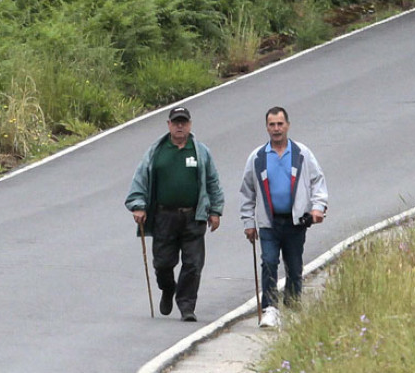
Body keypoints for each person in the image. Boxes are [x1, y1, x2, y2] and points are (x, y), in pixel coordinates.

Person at [125, 106, 224, 322]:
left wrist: (215, 210)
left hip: (193, 217)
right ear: (169, 125)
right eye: (176, 122)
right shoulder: (156, 152)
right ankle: (168, 289)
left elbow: (212, 182)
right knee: (162, 264)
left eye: (184, 122)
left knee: (193, 264)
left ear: (190, 124)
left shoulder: (201, 152)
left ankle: (187, 305)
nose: (180, 126)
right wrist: (138, 205)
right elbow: (140, 179)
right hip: (164, 217)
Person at [239, 106, 328, 328]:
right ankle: (270, 308)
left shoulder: (302, 154)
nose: (276, 129)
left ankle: (293, 303)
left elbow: (317, 181)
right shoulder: (258, 157)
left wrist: (318, 207)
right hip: (269, 223)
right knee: (269, 262)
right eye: (272, 125)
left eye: (280, 124)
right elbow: (247, 191)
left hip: (296, 222)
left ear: (287, 125)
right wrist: (249, 222)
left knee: (295, 266)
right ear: (267, 127)